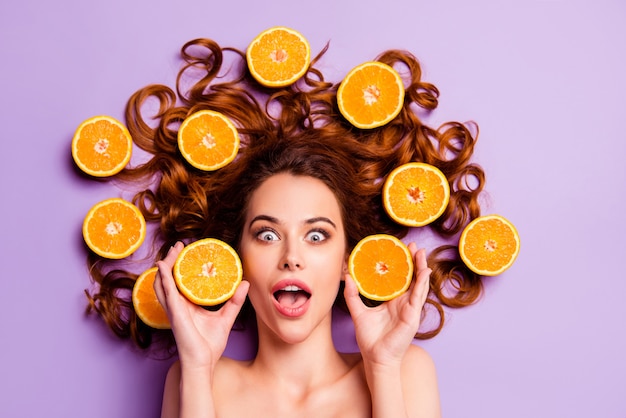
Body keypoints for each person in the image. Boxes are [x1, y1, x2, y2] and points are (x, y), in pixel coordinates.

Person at [84, 36, 486, 417]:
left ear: (347, 260)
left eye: (317, 235)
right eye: (267, 234)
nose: (292, 257)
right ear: (239, 257)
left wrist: (381, 366)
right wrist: (195, 364)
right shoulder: (197, 377)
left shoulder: (402, 370)